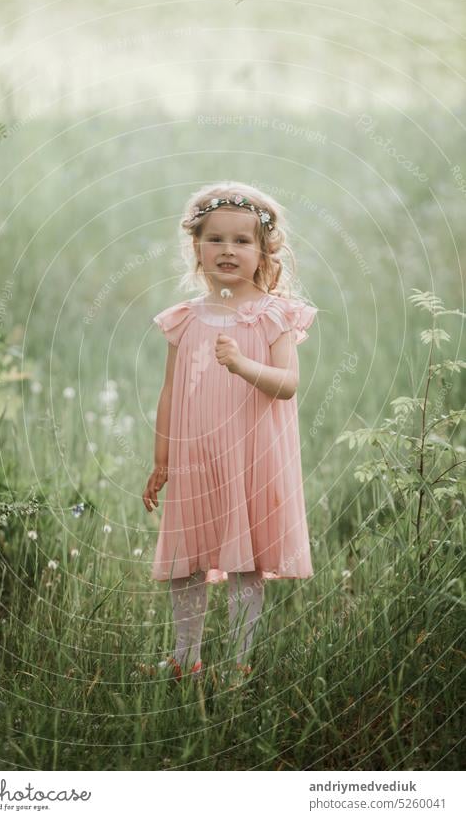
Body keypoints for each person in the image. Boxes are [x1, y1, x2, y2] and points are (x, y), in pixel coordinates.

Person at [142, 181, 318, 686]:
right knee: (186, 561)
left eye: (242, 241)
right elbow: (170, 391)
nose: (227, 250)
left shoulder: (274, 315)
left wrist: (242, 364)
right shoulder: (186, 317)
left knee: (245, 563)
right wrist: (162, 459)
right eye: (215, 239)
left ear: (263, 250)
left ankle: (238, 662)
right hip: (197, 456)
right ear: (196, 246)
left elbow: (287, 385)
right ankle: (185, 658)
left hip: (252, 456)